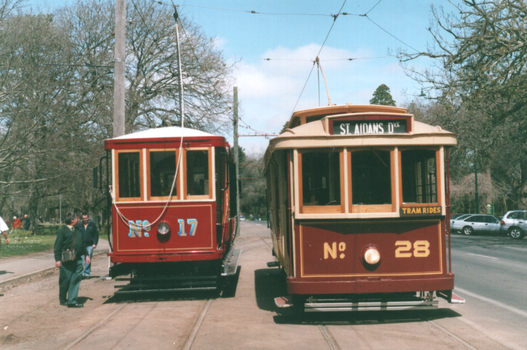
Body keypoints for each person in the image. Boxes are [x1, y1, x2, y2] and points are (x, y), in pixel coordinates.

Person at [54, 214, 90, 308]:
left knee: (76, 279)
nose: (79, 219)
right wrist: (57, 260)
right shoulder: (63, 230)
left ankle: (72, 301)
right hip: (67, 259)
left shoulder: (78, 230)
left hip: (78, 259)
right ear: (72, 220)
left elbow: (82, 244)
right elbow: (57, 245)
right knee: (65, 279)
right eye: (77, 218)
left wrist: (87, 255)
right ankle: (62, 299)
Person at [76, 212, 99, 278]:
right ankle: (80, 273)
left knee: (88, 259)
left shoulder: (92, 225)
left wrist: (95, 243)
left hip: (89, 244)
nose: (84, 219)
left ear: (88, 217)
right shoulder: (79, 225)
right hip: (81, 244)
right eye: (83, 218)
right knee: (80, 259)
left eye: (86, 218)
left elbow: (96, 235)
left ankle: (86, 273)